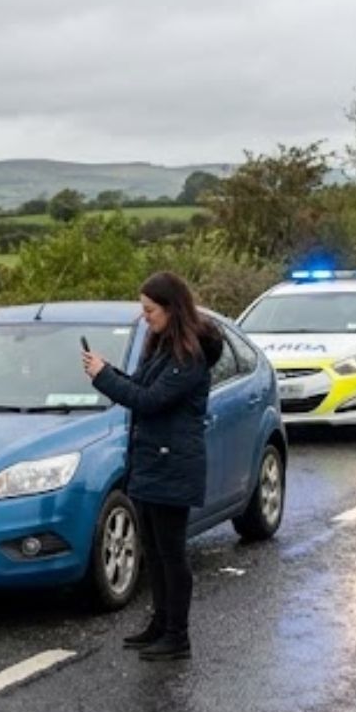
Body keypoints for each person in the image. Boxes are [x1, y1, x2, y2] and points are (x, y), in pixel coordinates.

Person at [82, 270, 224, 662]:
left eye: (150, 311)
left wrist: (103, 377)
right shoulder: (161, 346)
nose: (146, 318)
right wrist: (109, 370)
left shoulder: (189, 356)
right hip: (150, 461)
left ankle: (178, 635)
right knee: (155, 552)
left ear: (171, 309)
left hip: (173, 464)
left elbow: (149, 401)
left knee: (172, 554)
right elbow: (140, 387)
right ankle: (160, 624)